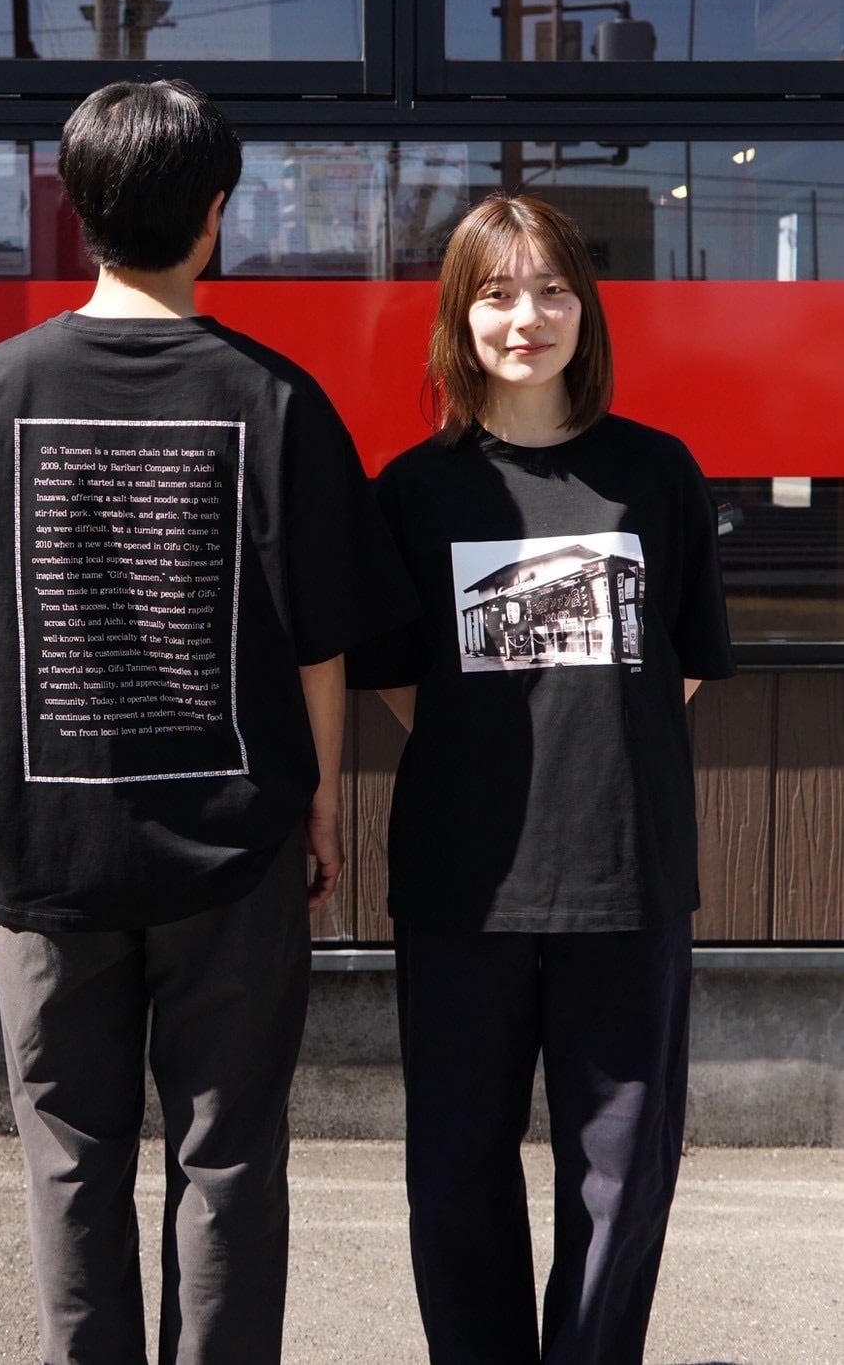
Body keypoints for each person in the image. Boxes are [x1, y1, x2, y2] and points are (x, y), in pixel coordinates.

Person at [0, 78, 416, 1365]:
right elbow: (319, 647)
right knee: (228, 1155)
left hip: (48, 855)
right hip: (232, 852)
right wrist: (318, 806)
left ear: (79, 209)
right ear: (215, 213)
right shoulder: (274, 399)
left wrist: (12, 792)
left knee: (69, 1156)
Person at [347, 193, 735, 1365]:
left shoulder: (653, 472)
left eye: (552, 289)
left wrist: (588, 746)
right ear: (458, 317)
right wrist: (493, 742)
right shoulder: (413, 489)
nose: (528, 317)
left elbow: (679, 662)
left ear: (586, 308)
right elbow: (398, 675)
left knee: (621, 1172)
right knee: (454, 1166)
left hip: (624, 871)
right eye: (497, 293)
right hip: (463, 881)